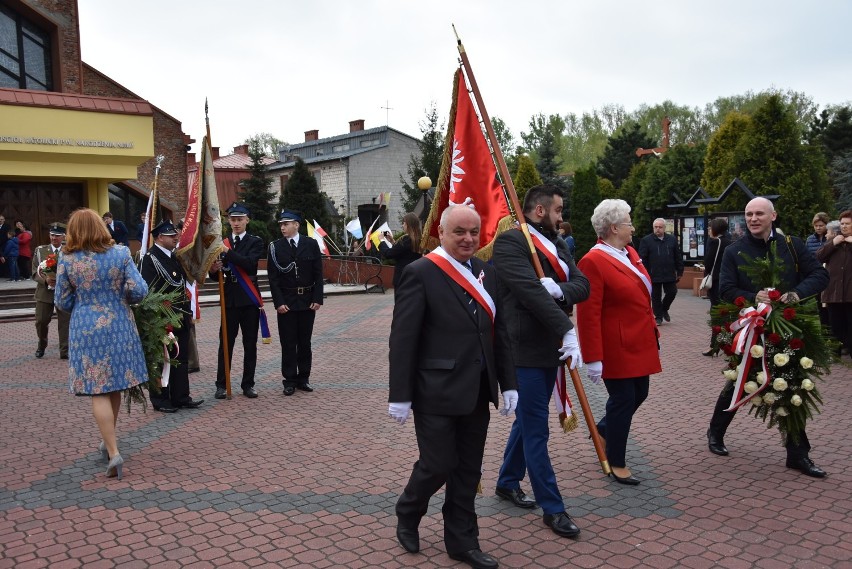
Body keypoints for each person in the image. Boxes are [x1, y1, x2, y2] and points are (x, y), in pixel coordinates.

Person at [389, 205, 514, 569]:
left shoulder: (487, 273)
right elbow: (404, 339)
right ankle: (409, 509)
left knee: (469, 469)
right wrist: (400, 394)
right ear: (440, 233)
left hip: (476, 390)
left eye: (474, 232)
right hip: (435, 391)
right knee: (438, 464)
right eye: (459, 231)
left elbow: (499, 333)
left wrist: (509, 384)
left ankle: (462, 541)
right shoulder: (420, 272)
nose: (468, 239)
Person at [492, 185, 589, 538]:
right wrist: (567, 328)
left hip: (551, 349)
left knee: (528, 421)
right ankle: (553, 508)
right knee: (536, 429)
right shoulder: (511, 243)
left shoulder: (558, 243)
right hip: (525, 351)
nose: (562, 217)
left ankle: (506, 481)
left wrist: (560, 289)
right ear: (538, 210)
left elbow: (582, 284)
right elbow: (529, 292)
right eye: (558, 210)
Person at [707, 197, 829, 478]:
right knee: (739, 383)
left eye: (759, 213)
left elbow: (819, 276)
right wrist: (753, 297)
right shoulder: (734, 250)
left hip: (787, 328)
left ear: (773, 216)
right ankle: (715, 432)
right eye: (749, 214)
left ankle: (798, 454)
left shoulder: (791, 246)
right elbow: (725, 289)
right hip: (752, 330)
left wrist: (797, 293)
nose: (753, 218)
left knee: (792, 387)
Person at [55, 208, 149, 480]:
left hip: (86, 327)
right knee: (115, 383)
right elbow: (140, 290)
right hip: (119, 323)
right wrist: (122, 298)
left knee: (98, 389)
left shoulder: (68, 258)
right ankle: (109, 443)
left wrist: (84, 302)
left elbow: (62, 301)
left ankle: (113, 449)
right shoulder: (120, 253)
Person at [576, 199, 662, 486]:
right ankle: (616, 460)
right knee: (624, 399)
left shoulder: (629, 253)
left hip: (640, 341)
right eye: (628, 223)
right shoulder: (593, 260)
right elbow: (589, 314)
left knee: (640, 394)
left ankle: (602, 429)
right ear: (613, 228)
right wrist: (593, 357)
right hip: (616, 346)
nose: (633, 228)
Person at [139, 220, 204, 413]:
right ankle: (160, 399)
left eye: (175, 234)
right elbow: (148, 291)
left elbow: (181, 284)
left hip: (180, 315)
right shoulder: (150, 259)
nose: (176, 237)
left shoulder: (174, 257)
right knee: (162, 359)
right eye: (170, 235)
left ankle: (180, 396)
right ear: (159, 237)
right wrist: (159, 317)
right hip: (162, 319)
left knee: (180, 358)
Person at [209, 202, 265, 399]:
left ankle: (248, 384)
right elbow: (215, 276)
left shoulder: (255, 241)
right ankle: (221, 384)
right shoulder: (222, 242)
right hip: (230, 299)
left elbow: (249, 265)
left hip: (248, 299)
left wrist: (227, 251)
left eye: (240, 219)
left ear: (247, 220)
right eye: (233, 219)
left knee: (250, 343)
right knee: (225, 343)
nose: (236, 223)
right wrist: (213, 271)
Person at [267, 209, 324, 396]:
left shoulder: (311, 244)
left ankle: (304, 378)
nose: (282, 227)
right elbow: (273, 278)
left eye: (286, 224)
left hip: (307, 301)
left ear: (296, 225)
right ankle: (289, 380)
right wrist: (278, 302)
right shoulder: (275, 247)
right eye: (281, 224)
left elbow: (318, 273)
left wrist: (317, 298)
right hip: (287, 302)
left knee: (305, 342)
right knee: (288, 342)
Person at [816, 211, 852, 357]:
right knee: (835, 326)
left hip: (850, 293)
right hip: (834, 293)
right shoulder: (833, 241)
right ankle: (837, 352)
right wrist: (833, 243)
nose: (844, 226)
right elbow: (818, 256)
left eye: (847, 224)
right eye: (842, 223)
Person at [32, 224, 70, 359]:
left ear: (64, 236)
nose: (54, 238)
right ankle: (42, 344)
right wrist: (46, 280)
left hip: (64, 292)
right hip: (44, 293)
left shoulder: (69, 251)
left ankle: (65, 351)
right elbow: (34, 272)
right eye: (52, 235)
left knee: (65, 322)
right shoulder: (40, 250)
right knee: (41, 321)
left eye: (57, 235)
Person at [638, 218, 683, 325]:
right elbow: (642, 258)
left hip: (669, 272)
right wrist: (644, 273)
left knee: (672, 292)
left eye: (660, 227)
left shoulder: (672, 239)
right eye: (656, 227)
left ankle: (664, 308)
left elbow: (677, 256)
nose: (658, 229)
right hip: (653, 273)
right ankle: (658, 317)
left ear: (664, 228)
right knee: (656, 296)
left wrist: (680, 271)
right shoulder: (646, 240)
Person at [702, 218, 732, 356]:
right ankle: (728, 342)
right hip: (727, 282)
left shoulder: (715, 242)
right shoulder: (730, 241)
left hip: (715, 282)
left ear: (715, 229)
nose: (708, 230)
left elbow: (708, 262)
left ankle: (714, 346)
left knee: (716, 314)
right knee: (726, 313)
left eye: (709, 228)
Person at [379, 212, 423, 291]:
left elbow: (388, 254)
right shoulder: (418, 239)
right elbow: (402, 252)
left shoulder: (406, 239)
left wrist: (382, 240)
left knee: (401, 302)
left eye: (404, 223)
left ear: (408, 225)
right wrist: (392, 241)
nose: (402, 225)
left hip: (403, 278)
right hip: (414, 278)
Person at [0, 213, 9, 278]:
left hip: (5, 244)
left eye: (1, 219)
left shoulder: (7, 226)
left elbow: (8, 235)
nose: (0, 220)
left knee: (5, 258)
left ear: (4, 220)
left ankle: (6, 273)